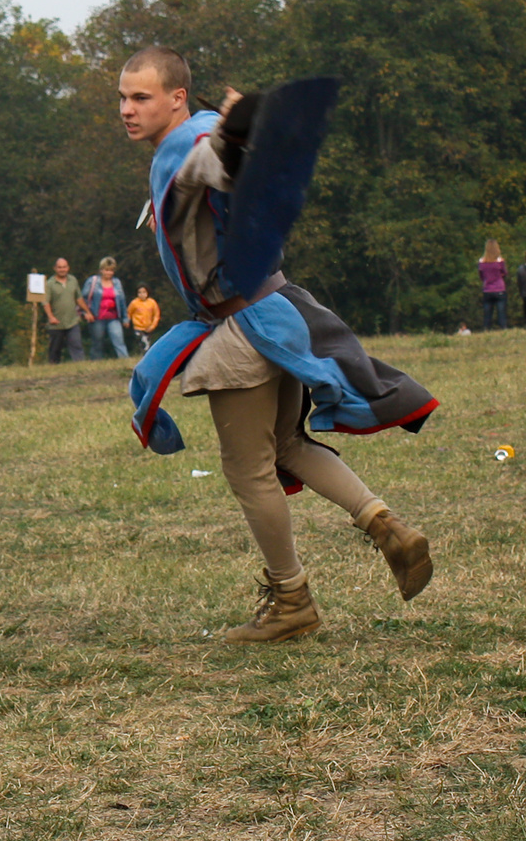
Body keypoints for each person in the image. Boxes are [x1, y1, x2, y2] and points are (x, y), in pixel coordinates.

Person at [121, 47, 437, 644]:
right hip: (277, 313)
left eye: (141, 97)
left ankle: (292, 600)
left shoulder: (192, 141)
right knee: (287, 443)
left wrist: (237, 139)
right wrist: (240, 135)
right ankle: (384, 524)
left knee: (248, 468)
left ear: (177, 97)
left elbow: (216, 164)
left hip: (246, 329)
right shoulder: (194, 137)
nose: (128, 109)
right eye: (123, 97)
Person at [44, 258, 91, 363]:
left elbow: (79, 298)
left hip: (72, 320)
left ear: (68, 268)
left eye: (64, 267)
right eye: (59, 267)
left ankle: (81, 365)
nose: (62, 269)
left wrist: (87, 311)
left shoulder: (73, 280)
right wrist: (51, 317)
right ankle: (53, 369)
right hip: (56, 322)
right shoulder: (50, 284)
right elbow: (45, 302)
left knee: (76, 344)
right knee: (55, 349)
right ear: (55, 268)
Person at [82, 257, 130, 359]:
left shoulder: (117, 283)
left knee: (119, 341)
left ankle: (125, 362)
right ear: (101, 270)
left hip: (114, 317)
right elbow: (83, 298)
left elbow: (122, 301)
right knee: (97, 343)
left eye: (111, 270)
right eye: (107, 270)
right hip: (97, 318)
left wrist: (125, 317)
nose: (109, 273)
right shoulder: (93, 282)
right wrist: (86, 313)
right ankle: (95, 365)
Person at [478, 240, 508, 331]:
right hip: (499, 289)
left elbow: (481, 276)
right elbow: (505, 273)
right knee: (501, 312)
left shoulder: (482, 262)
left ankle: (486, 329)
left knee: (487, 313)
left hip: (487, 289)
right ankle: (503, 329)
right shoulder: (500, 261)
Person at [127, 285, 161, 354]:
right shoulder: (134, 303)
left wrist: (153, 326)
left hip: (148, 327)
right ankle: (143, 355)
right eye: (139, 292)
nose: (142, 294)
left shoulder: (152, 302)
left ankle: (146, 355)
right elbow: (129, 313)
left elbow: (156, 315)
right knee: (142, 341)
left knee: (147, 344)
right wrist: (127, 321)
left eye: (144, 292)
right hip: (138, 327)